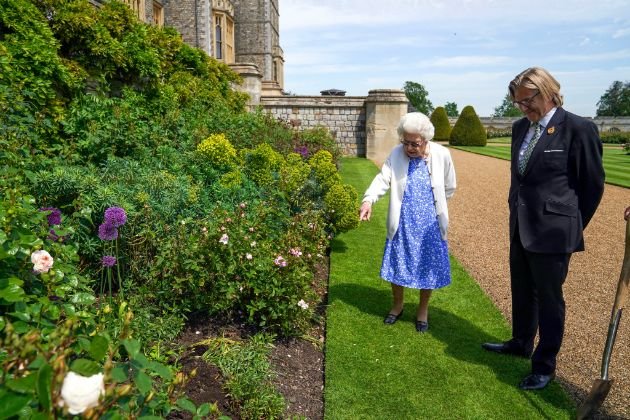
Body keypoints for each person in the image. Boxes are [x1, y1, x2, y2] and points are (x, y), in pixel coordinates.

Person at [482, 67, 605, 390]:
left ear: (547, 91)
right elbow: (519, 180)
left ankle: (544, 364)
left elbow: (592, 186)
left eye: (526, 101)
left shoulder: (579, 128)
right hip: (520, 225)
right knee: (522, 290)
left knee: (550, 299)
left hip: (554, 232)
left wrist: (571, 225)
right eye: (517, 103)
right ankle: (521, 342)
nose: (522, 108)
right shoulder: (521, 128)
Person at [359, 112, 456, 333]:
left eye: (416, 144)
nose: (410, 148)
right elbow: (382, 179)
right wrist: (368, 201)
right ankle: (398, 305)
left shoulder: (442, 154)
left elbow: (450, 186)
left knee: (427, 266)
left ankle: (422, 310)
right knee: (398, 263)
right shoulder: (396, 154)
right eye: (406, 142)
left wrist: (434, 206)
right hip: (403, 221)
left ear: (426, 139)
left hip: (430, 224)